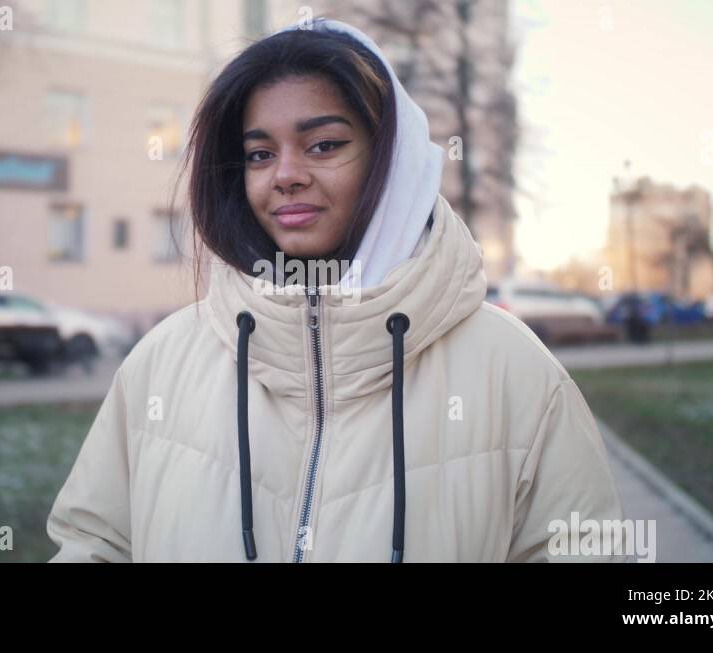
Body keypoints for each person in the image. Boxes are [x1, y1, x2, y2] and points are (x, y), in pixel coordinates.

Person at [46, 18, 626, 563]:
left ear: (389, 164)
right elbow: (92, 543)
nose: (285, 174)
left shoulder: (517, 374)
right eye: (259, 154)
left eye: (323, 145)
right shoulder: (160, 365)